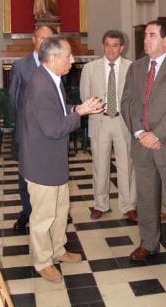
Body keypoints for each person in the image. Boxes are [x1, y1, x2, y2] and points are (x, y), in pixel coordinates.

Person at [19, 35, 103, 282]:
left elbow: (58, 113)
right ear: (53, 58)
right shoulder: (42, 86)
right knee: (44, 216)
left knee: (60, 209)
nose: (73, 60)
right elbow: (54, 128)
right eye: (68, 56)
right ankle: (43, 261)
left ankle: (58, 249)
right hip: (42, 163)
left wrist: (76, 109)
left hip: (52, 160)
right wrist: (82, 112)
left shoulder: (51, 78)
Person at [121, 20, 166, 271]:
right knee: (146, 199)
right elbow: (127, 103)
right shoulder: (136, 68)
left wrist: (157, 134)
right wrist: (141, 132)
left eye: (152, 35)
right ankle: (148, 242)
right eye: (145, 36)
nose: (145, 40)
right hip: (142, 144)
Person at [80, 30, 137, 221]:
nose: (110, 49)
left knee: (126, 165)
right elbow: (84, 95)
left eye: (114, 45)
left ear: (122, 47)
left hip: (123, 121)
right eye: (107, 45)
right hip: (100, 120)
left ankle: (128, 205)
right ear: (103, 46)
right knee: (99, 165)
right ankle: (100, 204)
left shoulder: (132, 68)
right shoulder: (90, 68)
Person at [9, 25, 55, 233]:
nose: (45, 42)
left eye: (49, 38)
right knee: (25, 176)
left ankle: (51, 211)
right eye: (42, 37)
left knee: (50, 173)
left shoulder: (57, 63)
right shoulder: (20, 66)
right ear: (34, 39)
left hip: (49, 132)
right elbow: (13, 99)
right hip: (26, 132)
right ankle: (27, 212)